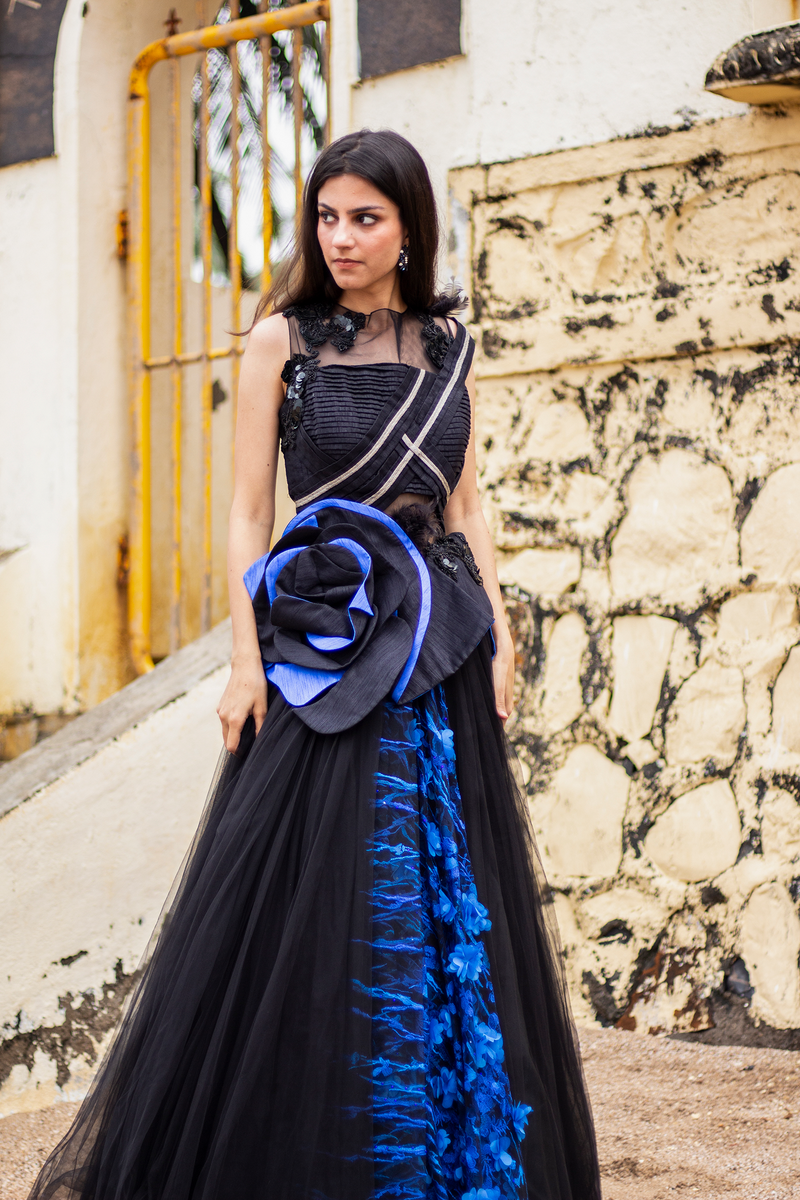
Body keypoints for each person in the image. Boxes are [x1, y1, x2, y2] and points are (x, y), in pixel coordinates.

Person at [29, 129, 601, 1200]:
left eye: (365, 219)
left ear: (407, 229)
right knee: (311, 897)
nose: (340, 238)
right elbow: (250, 514)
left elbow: (465, 505)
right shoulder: (278, 341)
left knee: (441, 890)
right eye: (327, 217)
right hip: (323, 645)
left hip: (437, 641)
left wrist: (503, 632)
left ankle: (433, 1143)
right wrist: (244, 660)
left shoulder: (447, 346)